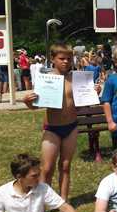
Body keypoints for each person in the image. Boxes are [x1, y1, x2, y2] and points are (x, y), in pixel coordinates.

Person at [22, 44, 97, 201]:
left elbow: (82, 100)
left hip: (71, 127)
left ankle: (63, 201)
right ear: (53, 59)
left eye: (68, 59)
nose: (65, 62)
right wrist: (28, 102)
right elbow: (36, 106)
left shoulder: (76, 78)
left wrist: (93, 92)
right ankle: (42, 202)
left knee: (65, 166)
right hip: (52, 128)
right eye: (61, 58)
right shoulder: (46, 79)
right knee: (47, 168)